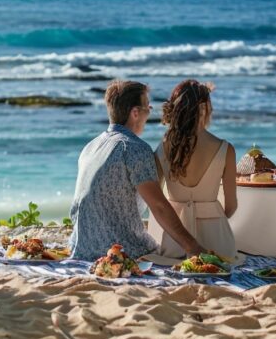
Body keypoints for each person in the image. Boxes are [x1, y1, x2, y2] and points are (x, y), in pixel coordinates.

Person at [68, 79, 205, 260]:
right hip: (120, 252)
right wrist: (194, 247)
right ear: (135, 113)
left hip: (79, 248)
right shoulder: (133, 148)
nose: (149, 113)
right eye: (147, 107)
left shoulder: (90, 147)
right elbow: (158, 206)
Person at [147, 79, 240, 262]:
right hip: (217, 243)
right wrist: (211, 215)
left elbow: (154, 201)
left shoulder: (162, 149)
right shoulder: (225, 149)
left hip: (174, 243)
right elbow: (231, 206)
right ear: (205, 108)